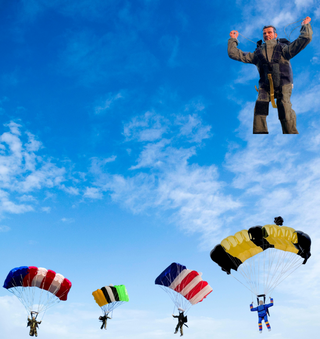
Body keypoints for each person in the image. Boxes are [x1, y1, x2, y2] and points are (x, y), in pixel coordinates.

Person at [228, 17, 313, 134]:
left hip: (284, 84)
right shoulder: (257, 54)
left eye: (269, 32)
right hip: (265, 87)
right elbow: (235, 54)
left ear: (275, 34)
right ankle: (259, 134)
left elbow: (305, 38)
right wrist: (233, 39)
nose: (267, 35)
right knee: (259, 111)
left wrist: (305, 25)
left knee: (285, 110)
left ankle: (291, 133)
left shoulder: (284, 49)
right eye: (264, 33)